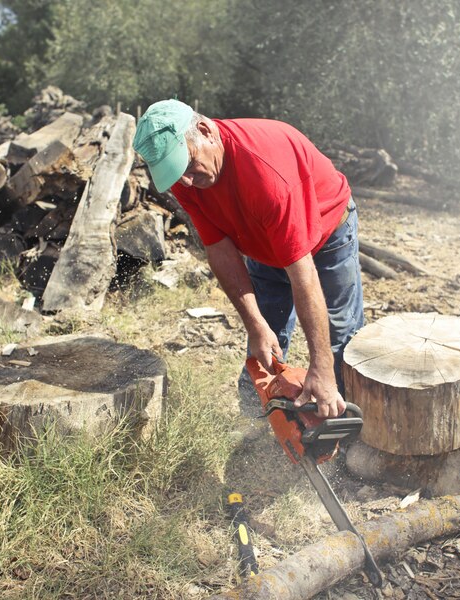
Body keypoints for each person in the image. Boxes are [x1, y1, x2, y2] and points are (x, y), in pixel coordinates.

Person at [132, 99, 363, 418]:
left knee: (338, 338)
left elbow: (302, 272)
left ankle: (344, 424)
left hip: (326, 232)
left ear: (205, 131)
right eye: (175, 174)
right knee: (265, 343)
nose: (184, 181)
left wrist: (320, 368)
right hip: (262, 240)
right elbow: (219, 249)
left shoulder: (266, 175)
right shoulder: (188, 175)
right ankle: (257, 428)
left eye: (187, 166)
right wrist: (255, 324)